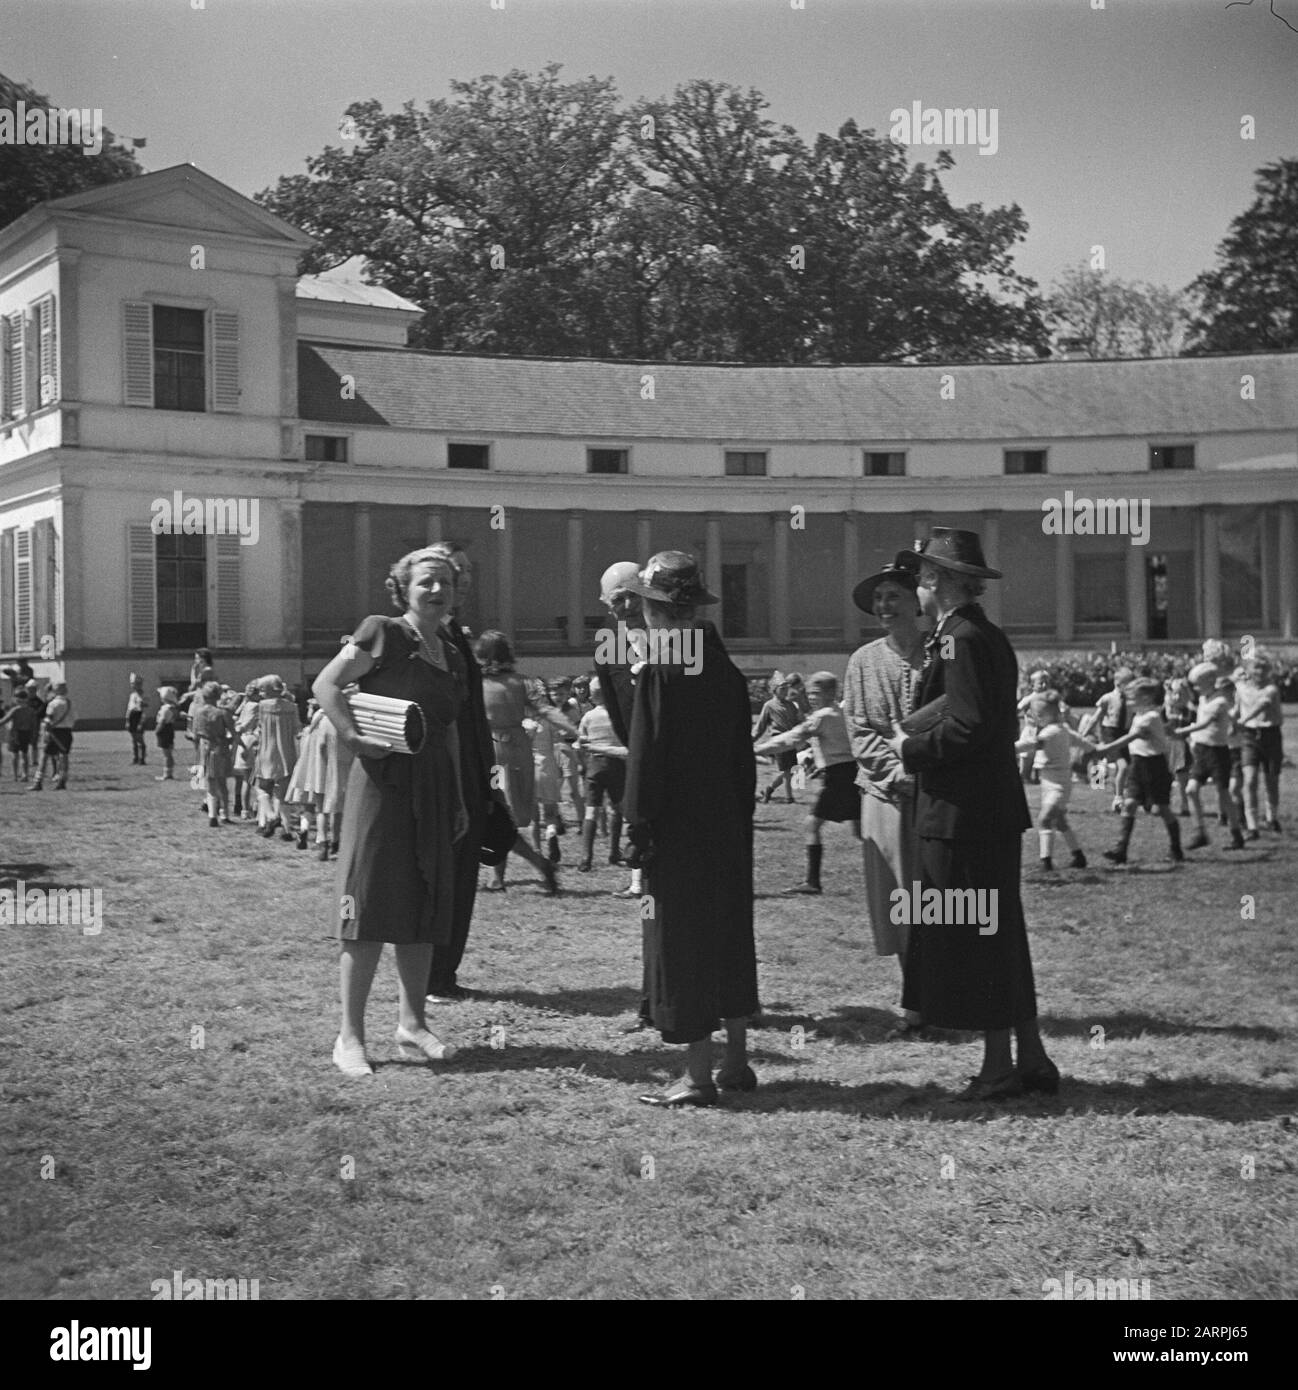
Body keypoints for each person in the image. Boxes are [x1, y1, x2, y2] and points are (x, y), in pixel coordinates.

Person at [886, 529, 1057, 1101]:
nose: (916, 588)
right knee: (1001, 938)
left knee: (979, 940)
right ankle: (1029, 1058)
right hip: (987, 811)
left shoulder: (959, 639)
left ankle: (997, 1067)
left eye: (922, 578)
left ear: (938, 581)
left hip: (963, 814)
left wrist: (906, 747)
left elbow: (967, 726)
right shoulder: (978, 635)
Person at [312, 547, 469, 1078]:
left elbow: (445, 730)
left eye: (445, 582)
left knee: (423, 908)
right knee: (369, 908)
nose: (437, 590)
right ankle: (349, 1037)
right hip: (382, 785)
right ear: (403, 587)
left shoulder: (448, 647)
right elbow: (325, 685)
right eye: (426, 581)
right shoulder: (382, 631)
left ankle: (412, 1024)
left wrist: (460, 799)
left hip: (434, 788)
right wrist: (355, 738)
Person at [622, 551, 759, 1107]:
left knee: (682, 945)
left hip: (677, 829)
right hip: (725, 823)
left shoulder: (661, 669)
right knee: (728, 936)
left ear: (655, 611)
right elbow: (742, 758)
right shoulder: (722, 666)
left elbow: (645, 759)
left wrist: (637, 824)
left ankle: (698, 1076)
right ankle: (738, 1062)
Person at [841, 560, 927, 1034]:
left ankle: (945, 994)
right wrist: (895, 774)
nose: (885, 606)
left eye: (894, 596)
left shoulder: (941, 652)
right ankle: (914, 1002)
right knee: (899, 898)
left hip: (937, 793)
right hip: (885, 795)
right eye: (879, 599)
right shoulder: (863, 661)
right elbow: (859, 727)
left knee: (941, 898)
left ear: (917, 602)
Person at [423, 542, 498, 1004]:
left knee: (464, 874)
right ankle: (433, 976)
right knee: (446, 875)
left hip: (472, 772)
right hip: (449, 773)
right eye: (455, 573)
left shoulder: (455, 633)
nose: (462, 581)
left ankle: (445, 972)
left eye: (465, 574)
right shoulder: (433, 637)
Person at [755, 671, 860, 894]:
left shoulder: (821, 716)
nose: (811, 697)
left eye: (816, 693)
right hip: (852, 775)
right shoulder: (842, 713)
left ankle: (813, 882)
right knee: (861, 831)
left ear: (830, 693)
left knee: (812, 825)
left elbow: (793, 737)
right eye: (809, 693)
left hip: (835, 776)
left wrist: (757, 748)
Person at [475, 632, 561, 894]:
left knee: (495, 812)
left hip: (494, 754)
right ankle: (501, 874)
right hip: (517, 751)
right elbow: (545, 709)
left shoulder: (480, 683)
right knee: (499, 813)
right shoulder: (522, 682)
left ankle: (527, 867)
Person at [594, 560, 648, 903]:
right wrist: (632, 744)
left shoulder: (677, 636)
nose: (625, 607)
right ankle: (638, 880)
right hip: (636, 746)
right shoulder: (608, 643)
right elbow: (613, 703)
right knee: (637, 812)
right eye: (616, 600)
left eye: (631, 597)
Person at [1094, 678, 1184, 866]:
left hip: (1155, 767)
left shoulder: (1151, 716)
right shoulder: (1139, 715)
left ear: (1146, 698)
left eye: (1131, 699)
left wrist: (1106, 748)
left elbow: (1132, 736)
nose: (1127, 703)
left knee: (1162, 809)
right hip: (1138, 764)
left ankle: (1176, 849)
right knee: (1130, 804)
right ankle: (1121, 850)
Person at [1014, 690, 1094, 871]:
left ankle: (1046, 861)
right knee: (1059, 821)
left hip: (1058, 784)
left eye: (1039, 715)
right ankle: (1078, 856)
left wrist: (1007, 748)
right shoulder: (1063, 729)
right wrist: (1093, 748)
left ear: (1050, 714)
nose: (1037, 718)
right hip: (1049, 781)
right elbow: (1081, 742)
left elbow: (1032, 744)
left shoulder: (1050, 733)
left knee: (1044, 819)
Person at [1176, 662, 1246, 852]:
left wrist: (1182, 730)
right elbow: (1198, 712)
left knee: (1223, 794)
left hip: (1217, 753)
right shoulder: (1203, 699)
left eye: (1198, 684)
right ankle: (1200, 833)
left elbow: (1205, 723)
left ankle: (1236, 833)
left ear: (1210, 681)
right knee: (1191, 790)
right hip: (1201, 751)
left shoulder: (1220, 702)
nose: (1196, 688)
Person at [576, 676, 628, 871]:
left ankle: (586, 857)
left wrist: (584, 762)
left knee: (592, 810)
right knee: (616, 809)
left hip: (595, 764)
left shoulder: (589, 716)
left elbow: (581, 741)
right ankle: (614, 851)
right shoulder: (618, 715)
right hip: (616, 764)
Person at [246, 675, 301, 839]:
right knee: (282, 793)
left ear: (269, 690)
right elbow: (297, 730)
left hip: (266, 752)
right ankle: (287, 828)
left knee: (261, 788)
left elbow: (255, 727)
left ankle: (270, 816)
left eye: (262, 689)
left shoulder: (261, 706)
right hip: (287, 753)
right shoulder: (292, 707)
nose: (261, 692)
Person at [1237, 656, 1283, 834]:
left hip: (1271, 736)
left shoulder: (1271, 689)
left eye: (1264, 669)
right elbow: (1235, 704)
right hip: (1250, 737)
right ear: (1249, 670)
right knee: (1249, 780)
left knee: (1271, 780)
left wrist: (1243, 719)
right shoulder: (1241, 688)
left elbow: (1262, 705)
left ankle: (1272, 818)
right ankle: (1252, 825)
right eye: (1256, 668)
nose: (1260, 672)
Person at [189, 679, 235, 826]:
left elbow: (195, 735)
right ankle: (225, 814)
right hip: (220, 748)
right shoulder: (222, 712)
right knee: (222, 783)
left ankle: (212, 815)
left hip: (203, 748)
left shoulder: (198, 712)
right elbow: (232, 732)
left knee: (210, 784)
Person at [753, 673, 801, 804]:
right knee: (787, 770)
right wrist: (751, 739)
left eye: (786, 688)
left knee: (791, 771)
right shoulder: (769, 706)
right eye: (782, 688)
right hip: (778, 741)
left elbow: (797, 722)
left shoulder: (791, 705)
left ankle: (769, 789)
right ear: (775, 690)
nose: (785, 691)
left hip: (790, 740)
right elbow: (760, 725)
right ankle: (789, 797)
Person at [33, 681, 74, 791]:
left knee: (45, 756)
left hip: (55, 732)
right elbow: (75, 718)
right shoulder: (69, 703)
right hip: (67, 732)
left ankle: (38, 781)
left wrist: (46, 731)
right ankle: (62, 780)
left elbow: (48, 719)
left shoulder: (53, 704)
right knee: (64, 756)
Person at [1016, 669, 1051, 783]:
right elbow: (1018, 709)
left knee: (1041, 759)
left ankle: (1037, 779)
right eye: (1041, 683)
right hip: (1031, 732)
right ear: (1032, 685)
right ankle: (1024, 777)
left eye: (1047, 682)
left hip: (1044, 733)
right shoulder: (1030, 698)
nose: (1045, 685)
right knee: (1026, 758)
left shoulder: (1050, 698)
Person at [1, 688, 37, 782]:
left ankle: (15, 775)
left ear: (16, 698)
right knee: (24, 754)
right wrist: (33, 735)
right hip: (26, 733)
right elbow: (34, 724)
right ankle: (25, 774)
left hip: (15, 734)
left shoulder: (15, 710)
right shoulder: (31, 710)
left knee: (15, 755)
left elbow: (5, 720)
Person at [155, 687, 179, 779]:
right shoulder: (172, 708)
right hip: (169, 729)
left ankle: (166, 774)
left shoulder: (165, 709)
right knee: (169, 753)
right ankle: (169, 772)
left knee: (166, 754)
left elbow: (162, 721)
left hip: (164, 730)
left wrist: (157, 730)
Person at [126, 673, 149, 765]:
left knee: (140, 738)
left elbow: (144, 708)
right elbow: (129, 708)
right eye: (133, 684)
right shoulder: (132, 695)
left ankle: (142, 759)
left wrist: (141, 722)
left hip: (139, 716)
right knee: (134, 739)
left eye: (135, 684)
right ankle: (135, 758)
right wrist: (127, 720)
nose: (133, 686)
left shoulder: (144, 695)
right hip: (132, 716)